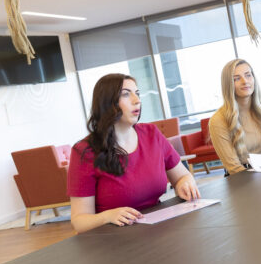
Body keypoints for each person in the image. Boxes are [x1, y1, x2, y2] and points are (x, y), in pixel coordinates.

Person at [68, 73, 200, 233]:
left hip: (157, 229)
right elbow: (79, 221)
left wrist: (184, 184)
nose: (137, 100)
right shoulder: (84, 151)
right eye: (125, 94)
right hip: (113, 238)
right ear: (107, 103)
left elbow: (182, 176)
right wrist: (107, 216)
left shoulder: (152, 133)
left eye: (137, 94)